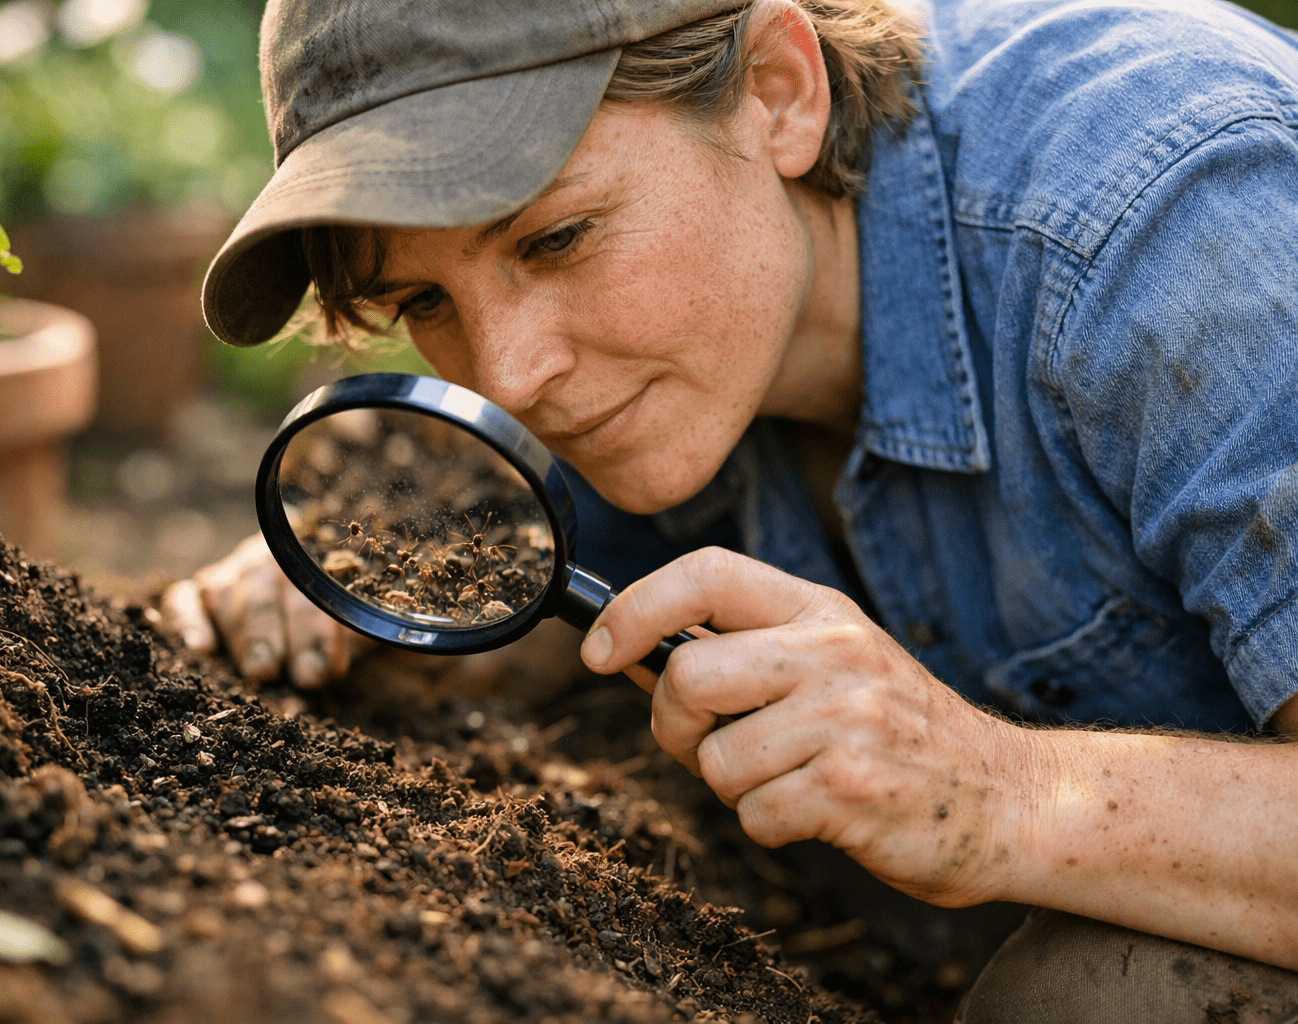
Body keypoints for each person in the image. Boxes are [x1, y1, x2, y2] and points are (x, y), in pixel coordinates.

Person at [169, 0, 1298, 1017]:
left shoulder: (1178, 234)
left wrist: (1002, 793)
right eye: (423, 298)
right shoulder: (700, 328)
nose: (508, 376)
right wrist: (368, 579)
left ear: (778, 92)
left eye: (556, 238)